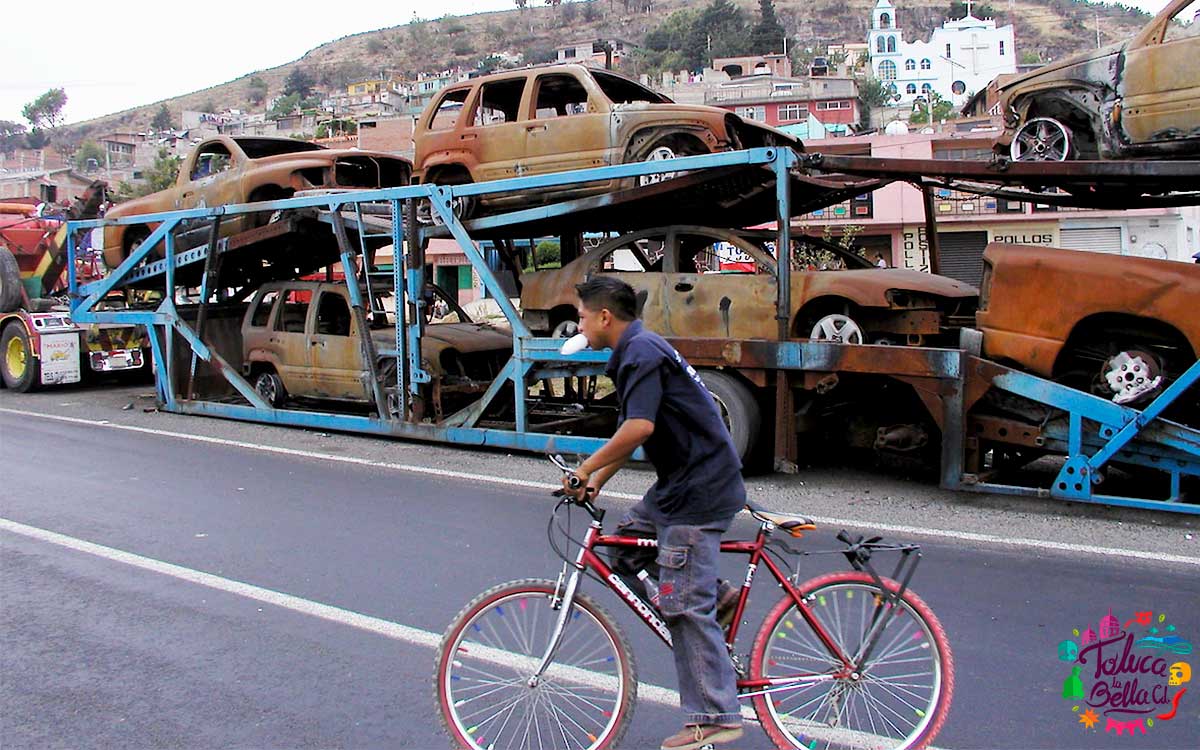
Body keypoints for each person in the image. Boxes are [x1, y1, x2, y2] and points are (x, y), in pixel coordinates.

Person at [562, 276, 745, 750]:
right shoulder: (636, 348)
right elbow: (635, 426)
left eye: (582, 315)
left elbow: (639, 427)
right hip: (677, 486)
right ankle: (718, 598)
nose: (578, 323)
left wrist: (585, 467)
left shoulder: (641, 352)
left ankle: (715, 715)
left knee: (681, 604)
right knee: (622, 553)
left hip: (699, 490)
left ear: (604, 317)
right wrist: (600, 480)